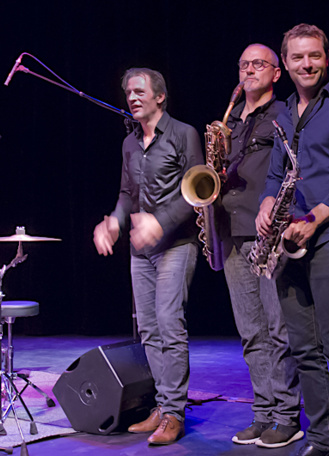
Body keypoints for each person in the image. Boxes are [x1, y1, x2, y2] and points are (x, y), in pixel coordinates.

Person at [256, 24, 329, 456]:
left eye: (315, 56)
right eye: (297, 58)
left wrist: (314, 218)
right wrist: (267, 202)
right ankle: (321, 439)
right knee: (304, 349)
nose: (307, 64)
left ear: (327, 57)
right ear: (284, 64)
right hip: (288, 242)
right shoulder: (283, 113)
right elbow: (274, 173)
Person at [93, 68, 202, 445]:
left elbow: (196, 193)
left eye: (140, 91)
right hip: (141, 251)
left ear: (160, 97)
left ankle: (174, 413)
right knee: (150, 330)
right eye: (128, 92)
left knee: (170, 324)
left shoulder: (184, 134)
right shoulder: (129, 143)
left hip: (177, 244)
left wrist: (160, 222)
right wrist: (113, 222)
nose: (132, 97)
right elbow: (127, 194)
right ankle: (162, 404)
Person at [218, 43, 302, 448]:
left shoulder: (284, 112)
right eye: (244, 63)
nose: (250, 70)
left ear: (276, 73)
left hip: (269, 233)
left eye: (259, 64)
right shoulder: (231, 118)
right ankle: (263, 413)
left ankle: (287, 416)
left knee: (278, 328)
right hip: (232, 231)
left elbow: (291, 167)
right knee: (251, 331)